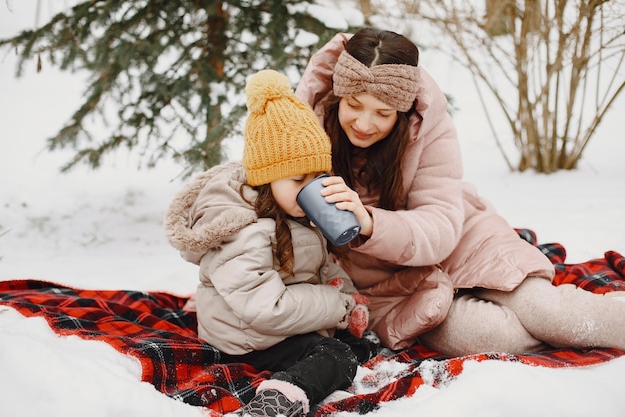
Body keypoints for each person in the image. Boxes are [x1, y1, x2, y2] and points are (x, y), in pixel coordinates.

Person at [294, 27, 625, 356]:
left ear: (403, 110)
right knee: (499, 337)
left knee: (552, 313)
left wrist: (370, 222)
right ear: (338, 96)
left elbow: (440, 223)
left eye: (383, 113)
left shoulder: (427, 128)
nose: (364, 124)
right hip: (389, 288)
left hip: (461, 242)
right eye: (354, 105)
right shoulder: (302, 128)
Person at [165, 69, 374, 417]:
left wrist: (346, 292)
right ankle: (279, 401)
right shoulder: (244, 231)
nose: (310, 188)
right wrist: (337, 306)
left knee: (356, 346)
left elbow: (321, 265)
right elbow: (265, 309)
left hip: (279, 323)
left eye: (317, 177)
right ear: (266, 177)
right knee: (335, 357)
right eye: (297, 178)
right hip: (247, 337)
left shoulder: (293, 210)